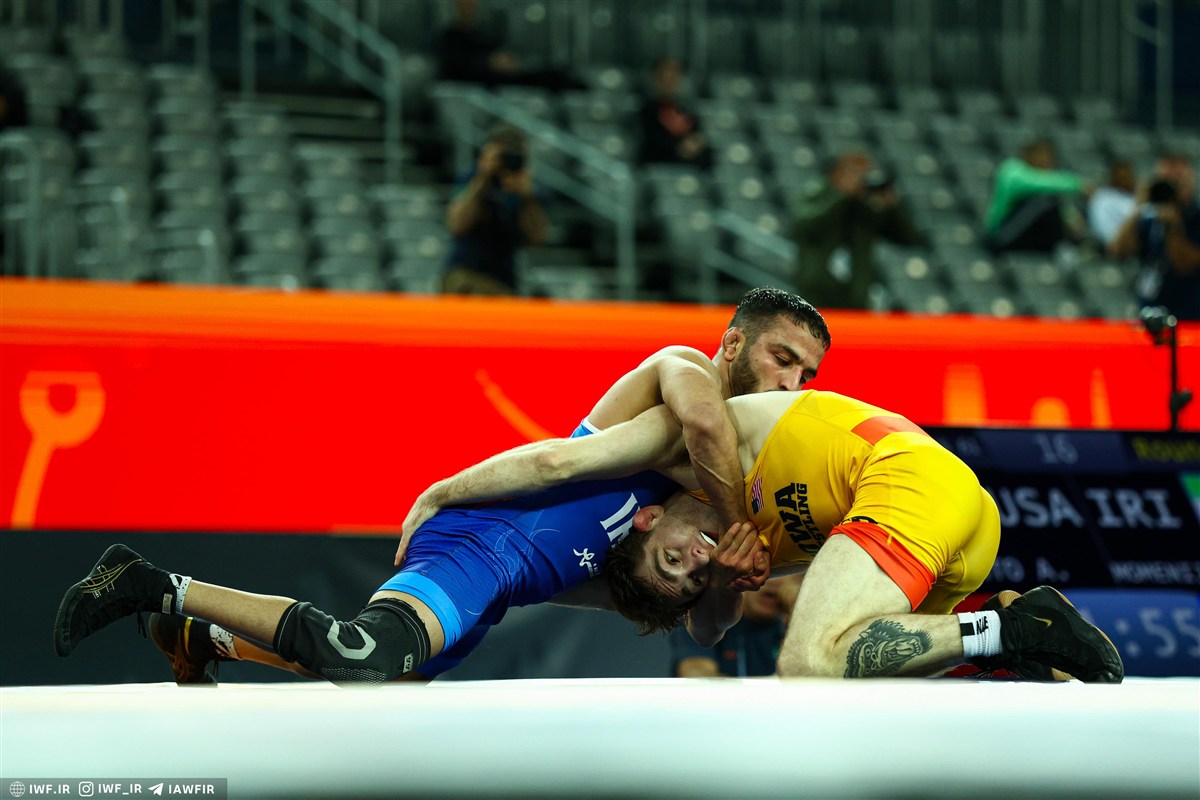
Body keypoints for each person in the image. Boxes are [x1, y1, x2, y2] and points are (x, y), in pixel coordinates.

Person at [55, 289, 832, 684]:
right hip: (483, 540)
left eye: (807, 374)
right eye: (782, 359)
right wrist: (444, 489)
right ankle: (149, 582)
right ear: (733, 341)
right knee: (365, 654)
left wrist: (735, 570)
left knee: (375, 672)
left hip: (505, 583)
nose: (791, 384)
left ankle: (200, 636)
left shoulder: (703, 505)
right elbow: (561, 463)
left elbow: (707, 626)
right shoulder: (687, 378)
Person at [399, 390, 1124, 683]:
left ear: (648, 519)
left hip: (907, 478)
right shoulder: (734, 553)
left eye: (675, 556)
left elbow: (555, 461)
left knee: (807, 665)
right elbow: (708, 627)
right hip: (964, 528)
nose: (698, 559)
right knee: (878, 676)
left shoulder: (684, 446)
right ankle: (1026, 645)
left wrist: (441, 490)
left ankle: (1013, 627)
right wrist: (718, 583)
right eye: (690, 573)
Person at [791, 151, 927, 309]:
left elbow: (909, 239)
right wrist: (841, 195)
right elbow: (806, 227)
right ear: (835, 173)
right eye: (854, 173)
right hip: (816, 297)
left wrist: (892, 204)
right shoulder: (816, 195)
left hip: (856, 300)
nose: (861, 179)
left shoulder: (866, 208)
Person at [443, 124, 549, 295]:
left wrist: (526, 197)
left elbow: (536, 237)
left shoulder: (529, 189)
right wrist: (483, 178)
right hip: (465, 273)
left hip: (503, 279)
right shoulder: (472, 179)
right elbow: (456, 225)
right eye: (501, 156)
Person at [1110, 152, 1200, 322]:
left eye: (1176, 182)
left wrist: (1172, 226)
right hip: (1150, 312)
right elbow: (1118, 250)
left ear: (1190, 184)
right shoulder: (1151, 219)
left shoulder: (1196, 218)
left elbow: (1185, 265)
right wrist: (1137, 208)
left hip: (1188, 316)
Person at [669, 576, 798, 678]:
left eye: (786, 573)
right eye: (769, 573)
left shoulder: (791, 628)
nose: (775, 581)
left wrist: (798, 607)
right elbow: (697, 677)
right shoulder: (704, 619)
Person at [985, 138, 1089, 254]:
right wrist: (1079, 184)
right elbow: (1036, 182)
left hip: (1031, 239)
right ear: (1028, 154)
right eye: (1041, 155)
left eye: (1049, 157)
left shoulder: (1047, 182)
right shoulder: (1012, 170)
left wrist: (1073, 221)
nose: (1046, 161)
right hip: (1002, 235)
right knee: (1046, 200)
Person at [638, 58, 711, 169]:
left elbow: (697, 135)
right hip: (660, 167)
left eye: (673, 79)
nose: (669, 84)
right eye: (664, 79)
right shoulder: (647, 109)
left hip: (690, 168)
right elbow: (652, 141)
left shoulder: (687, 110)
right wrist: (680, 147)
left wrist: (696, 144)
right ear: (655, 80)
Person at [1087, 159, 1137, 248]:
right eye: (1122, 177)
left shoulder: (1137, 195)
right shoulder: (1102, 199)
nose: (1127, 179)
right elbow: (1111, 242)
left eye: (1128, 175)